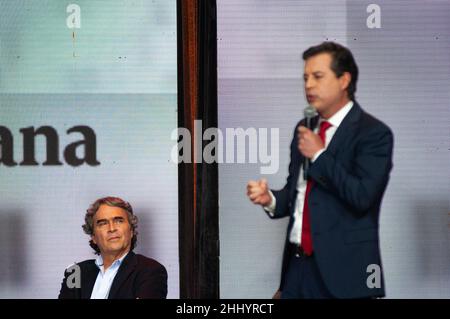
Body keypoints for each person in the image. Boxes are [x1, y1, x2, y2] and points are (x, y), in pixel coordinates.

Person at [247, 42, 393, 299]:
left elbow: (362, 197)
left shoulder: (373, 133)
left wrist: (319, 155)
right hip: (297, 270)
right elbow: (299, 197)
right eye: (305, 78)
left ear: (344, 79)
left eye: (317, 76)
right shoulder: (304, 127)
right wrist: (269, 198)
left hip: (343, 277)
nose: (309, 85)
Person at [58, 196, 167, 299]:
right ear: (93, 237)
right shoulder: (75, 272)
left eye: (119, 221)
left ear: (131, 231)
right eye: (103, 223)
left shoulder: (150, 270)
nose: (112, 228)